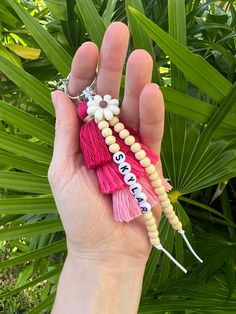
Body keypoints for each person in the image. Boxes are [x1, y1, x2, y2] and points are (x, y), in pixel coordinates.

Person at [49, 22, 165, 314]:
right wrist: (97, 257)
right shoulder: (91, 132)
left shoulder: (104, 121)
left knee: (136, 154)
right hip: (103, 238)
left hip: (120, 146)